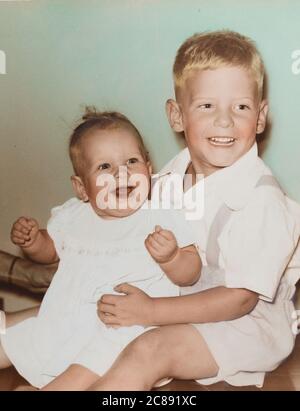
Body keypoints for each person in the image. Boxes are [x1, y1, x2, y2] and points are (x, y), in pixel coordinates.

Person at [91, 30, 300, 390]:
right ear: (176, 115)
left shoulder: (262, 200)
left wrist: (151, 312)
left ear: (261, 117)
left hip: (246, 324)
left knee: (149, 350)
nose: (224, 121)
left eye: (241, 107)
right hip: (176, 300)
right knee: (78, 316)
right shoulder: (173, 171)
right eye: (207, 106)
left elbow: (240, 299)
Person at [0, 109, 201, 390]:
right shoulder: (73, 216)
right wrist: (35, 242)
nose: (122, 173)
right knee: (24, 338)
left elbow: (190, 273)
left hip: (124, 325)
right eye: (105, 167)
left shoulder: (161, 215)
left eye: (131, 161)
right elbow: (52, 252)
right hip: (65, 318)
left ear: (149, 166)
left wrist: (173, 257)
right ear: (82, 188)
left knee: (98, 355)